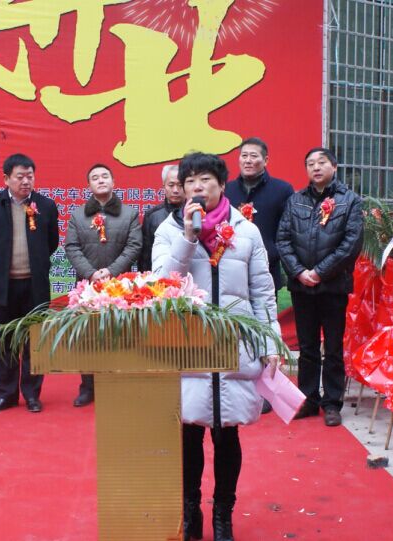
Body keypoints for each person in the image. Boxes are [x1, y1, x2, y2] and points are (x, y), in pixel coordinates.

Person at [152, 152, 280, 541]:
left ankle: (223, 515)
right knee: (188, 435)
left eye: (205, 179)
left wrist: (270, 339)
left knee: (227, 435)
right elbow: (161, 283)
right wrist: (188, 239)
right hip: (187, 344)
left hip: (233, 344)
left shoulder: (247, 231)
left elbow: (262, 290)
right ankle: (190, 512)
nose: (197, 187)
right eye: (190, 181)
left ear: (222, 185)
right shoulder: (168, 230)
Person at [276, 148, 363, 427]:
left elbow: (351, 244)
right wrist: (300, 272)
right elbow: (283, 240)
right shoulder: (296, 200)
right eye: (310, 163)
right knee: (308, 347)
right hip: (302, 287)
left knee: (333, 347)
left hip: (333, 286)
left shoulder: (349, 201)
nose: (316, 167)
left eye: (321, 162)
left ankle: (332, 403)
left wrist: (319, 272)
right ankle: (309, 399)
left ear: (334, 167)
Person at [0, 154, 58, 414]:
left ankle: (32, 394)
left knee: (34, 341)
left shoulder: (46, 205)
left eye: (29, 176)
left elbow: (52, 242)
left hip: (34, 286)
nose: (25, 181)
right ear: (6, 179)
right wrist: (1, 263)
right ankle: (7, 394)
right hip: (4, 286)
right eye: (20, 176)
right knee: (7, 341)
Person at [225, 137, 294, 414]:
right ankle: (235, 387)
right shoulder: (227, 190)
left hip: (266, 272)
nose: (248, 160)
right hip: (230, 274)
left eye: (254, 156)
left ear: (266, 160)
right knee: (234, 334)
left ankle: (266, 390)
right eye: (244, 155)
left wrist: (272, 253)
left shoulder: (282, 190)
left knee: (263, 331)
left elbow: (287, 230)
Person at [64, 163, 142, 407]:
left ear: (113, 182)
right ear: (89, 185)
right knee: (87, 337)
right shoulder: (78, 215)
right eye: (95, 177)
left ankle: (118, 384)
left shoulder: (129, 214)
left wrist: (111, 271)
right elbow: (71, 247)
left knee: (121, 335)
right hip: (87, 286)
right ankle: (88, 387)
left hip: (120, 285)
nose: (100, 180)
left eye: (105, 176)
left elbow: (134, 246)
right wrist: (91, 274)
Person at [138, 164, 184, 272]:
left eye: (180, 185)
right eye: (171, 185)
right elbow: (145, 256)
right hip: (160, 275)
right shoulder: (152, 215)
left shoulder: (196, 213)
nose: (175, 190)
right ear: (164, 186)